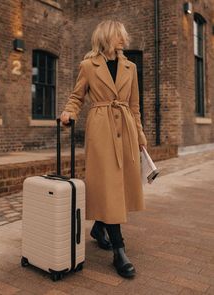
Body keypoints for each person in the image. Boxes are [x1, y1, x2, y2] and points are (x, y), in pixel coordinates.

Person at [60, 20, 147, 279]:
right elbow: (77, 97)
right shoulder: (88, 66)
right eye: (119, 36)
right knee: (109, 184)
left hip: (126, 129)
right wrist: (69, 112)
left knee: (118, 185)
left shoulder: (130, 67)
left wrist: (140, 135)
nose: (124, 40)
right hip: (101, 128)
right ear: (107, 37)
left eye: (124, 36)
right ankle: (119, 250)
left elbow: (134, 106)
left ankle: (100, 228)